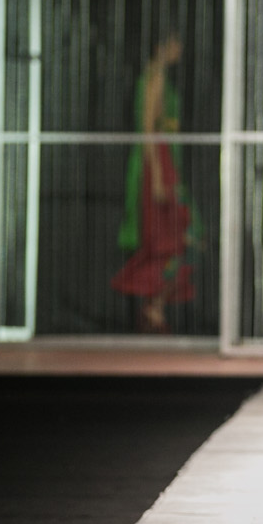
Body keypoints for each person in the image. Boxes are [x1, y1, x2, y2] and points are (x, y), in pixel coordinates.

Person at [111, 34, 196, 333]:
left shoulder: (158, 78)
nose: (179, 49)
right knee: (168, 239)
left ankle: (155, 307)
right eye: (174, 43)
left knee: (179, 239)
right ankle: (153, 308)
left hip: (165, 160)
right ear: (160, 46)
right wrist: (158, 176)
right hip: (156, 162)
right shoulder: (154, 79)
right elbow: (148, 129)